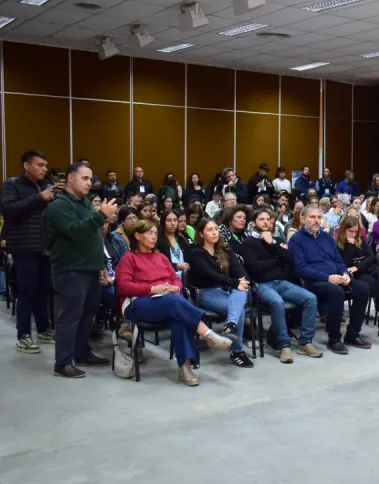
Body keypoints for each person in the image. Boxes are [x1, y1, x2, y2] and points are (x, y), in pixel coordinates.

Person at [116, 220, 235, 386]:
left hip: (167, 301)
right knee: (175, 304)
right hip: (137, 302)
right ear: (137, 235)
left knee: (178, 316)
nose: (154, 237)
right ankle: (208, 334)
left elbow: (175, 279)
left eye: (156, 234)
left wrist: (174, 288)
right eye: (149, 233)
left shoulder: (161, 257)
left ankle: (185, 367)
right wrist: (152, 289)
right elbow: (123, 286)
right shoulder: (129, 258)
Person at [45, 162, 117, 377]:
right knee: (70, 316)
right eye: (84, 178)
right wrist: (100, 215)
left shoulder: (84, 203)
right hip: (70, 269)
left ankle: (81, 352)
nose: (90, 183)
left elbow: (93, 237)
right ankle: (62, 362)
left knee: (88, 315)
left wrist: (101, 265)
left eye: (90, 179)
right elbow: (75, 232)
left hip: (90, 269)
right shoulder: (59, 206)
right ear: (70, 178)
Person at [232, 207, 322, 363]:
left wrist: (272, 243)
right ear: (254, 223)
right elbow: (255, 268)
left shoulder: (276, 240)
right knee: (277, 302)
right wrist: (277, 259)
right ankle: (284, 346)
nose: (266, 222)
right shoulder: (248, 243)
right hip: (262, 284)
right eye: (261, 219)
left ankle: (305, 342)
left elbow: (290, 259)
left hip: (282, 282)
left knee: (311, 298)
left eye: (268, 219)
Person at [288, 206, 372, 354]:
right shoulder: (296, 240)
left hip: (336, 277)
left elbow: (339, 260)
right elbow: (300, 269)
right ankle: (334, 339)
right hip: (312, 282)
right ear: (303, 219)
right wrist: (328, 278)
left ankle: (352, 334)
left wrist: (344, 273)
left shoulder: (326, 237)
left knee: (363, 288)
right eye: (312, 217)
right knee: (336, 292)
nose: (316, 220)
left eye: (319, 217)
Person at [1, 151, 59, 353]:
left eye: (45, 165)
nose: (44, 169)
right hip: (23, 245)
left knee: (43, 290)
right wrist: (39, 198)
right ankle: (23, 335)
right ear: (26, 165)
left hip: (44, 246)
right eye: (40, 165)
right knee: (27, 290)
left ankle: (43, 329)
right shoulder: (13, 184)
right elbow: (8, 209)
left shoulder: (45, 186)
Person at [189, 219, 253, 368]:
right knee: (239, 311)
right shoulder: (196, 253)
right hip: (204, 293)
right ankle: (237, 351)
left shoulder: (225, 250)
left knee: (241, 291)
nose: (214, 232)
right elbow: (210, 274)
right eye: (209, 229)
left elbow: (239, 270)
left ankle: (230, 324)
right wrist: (234, 283)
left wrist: (243, 281)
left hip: (226, 290)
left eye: (216, 229)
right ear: (201, 233)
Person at [336, 216, 379, 337]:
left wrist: (358, 266)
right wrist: (350, 246)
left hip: (368, 269)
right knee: (377, 286)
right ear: (343, 230)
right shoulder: (338, 245)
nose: (354, 234)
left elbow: (371, 257)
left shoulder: (360, 239)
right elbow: (344, 264)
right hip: (356, 276)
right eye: (351, 231)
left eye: (356, 231)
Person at [157, 210, 191, 279]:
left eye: (175, 220)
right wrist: (176, 266)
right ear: (163, 222)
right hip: (168, 277)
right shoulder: (159, 241)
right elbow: (159, 263)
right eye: (169, 220)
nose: (173, 223)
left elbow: (188, 257)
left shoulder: (181, 239)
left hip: (186, 275)